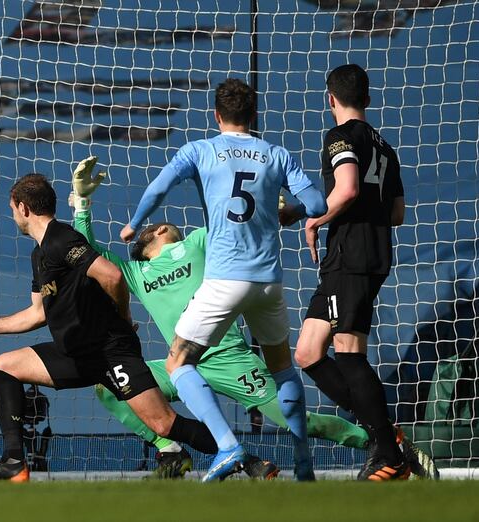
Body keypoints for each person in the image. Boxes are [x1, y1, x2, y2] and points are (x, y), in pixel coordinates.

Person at [71, 156, 436, 480]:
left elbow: (240, 225)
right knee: (111, 385)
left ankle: (387, 440)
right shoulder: (134, 272)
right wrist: (82, 204)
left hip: (229, 358)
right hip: (180, 365)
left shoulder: (200, 241)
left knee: (301, 423)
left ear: (166, 231)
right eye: (149, 227)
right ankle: (173, 450)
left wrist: (268, 205)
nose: (154, 226)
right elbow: (86, 254)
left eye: (157, 224)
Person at [120, 78, 328, 481]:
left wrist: (133, 225)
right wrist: (294, 211)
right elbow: (318, 203)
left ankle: (228, 446)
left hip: (225, 280)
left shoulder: (200, 150)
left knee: (178, 363)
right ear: (254, 116)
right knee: (283, 371)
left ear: (216, 115)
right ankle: (304, 465)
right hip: (268, 283)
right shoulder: (276, 154)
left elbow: (160, 186)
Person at [0, 174, 220, 482]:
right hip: (75, 356)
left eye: (12, 208)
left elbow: (113, 276)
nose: (12, 215)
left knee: (163, 424)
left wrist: (122, 317)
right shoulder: (39, 253)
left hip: (109, 351)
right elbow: (37, 313)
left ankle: (240, 455)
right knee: (4, 367)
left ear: (23, 208)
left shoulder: (60, 238)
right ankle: (14, 460)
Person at [292, 64, 416, 481]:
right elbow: (396, 213)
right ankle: (384, 435)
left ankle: (387, 450)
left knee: (347, 351)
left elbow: (346, 189)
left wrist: (314, 220)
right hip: (366, 255)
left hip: (352, 256)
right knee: (308, 352)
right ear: (367, 97)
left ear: (331, 99)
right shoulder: (386, 147)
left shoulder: (339, 137)